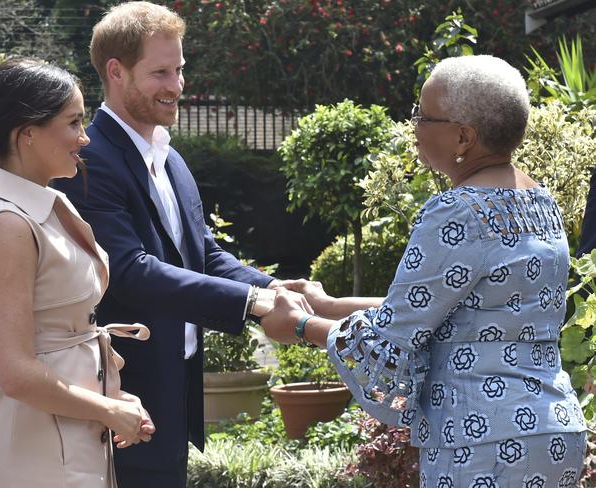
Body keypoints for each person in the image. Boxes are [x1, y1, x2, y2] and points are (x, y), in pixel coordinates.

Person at [263, 55, 588, 487]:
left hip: (482, 442)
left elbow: (390, 340)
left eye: (423, 115)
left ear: (463, 137)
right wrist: (331, 304)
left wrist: (302, 325)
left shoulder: (457, 211)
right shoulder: (540, 203)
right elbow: (455, 310)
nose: (413, 125)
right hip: (555, 431)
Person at [52, 3, 309, 486]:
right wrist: (254, 303)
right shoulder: (90, 160)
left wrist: (271, 284)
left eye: (180, 69)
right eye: (161, 73)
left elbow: (203, 253)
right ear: (116, 72)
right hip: (122, 394)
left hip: (176, 390)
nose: (177, 85)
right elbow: (129, 270)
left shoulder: (170, 158)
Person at [0, 57, 155, 488]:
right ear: (27, 134)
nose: (84, 138)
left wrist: (112, 398)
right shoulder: (9, 224)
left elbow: (59, 337)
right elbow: (17, 372)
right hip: (33, 452)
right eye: (73, 122)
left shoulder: (47, 205)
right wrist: (108, 409)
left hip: (67, 437)